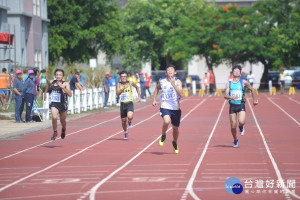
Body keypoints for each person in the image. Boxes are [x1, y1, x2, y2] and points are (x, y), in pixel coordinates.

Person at [224, 65, 258, 148]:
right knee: (233, 126)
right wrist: (231, 97)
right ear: (232, 73)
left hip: (241, 104)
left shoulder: (243, 82)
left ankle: (241, 127)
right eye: (235, 71)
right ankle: (235, 140)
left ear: (240, 73)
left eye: (238, 71)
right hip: (232, 106)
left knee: (241, 121)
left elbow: (252, 89)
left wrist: (254, 100)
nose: (236, 72)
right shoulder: (229, 83)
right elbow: (225, 95)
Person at [152, 64, 184, 154]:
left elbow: (181, 94)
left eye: (172, 70)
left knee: (175, 129)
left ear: (175, 72)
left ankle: (174, 142)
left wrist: (173, 84)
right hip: (165, 106)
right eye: (168, 70)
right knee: (166, 121)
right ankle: (163, 135)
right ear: (166, 72)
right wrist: (154, 99)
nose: (170, 71)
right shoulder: (162, 81)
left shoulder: (178, 82)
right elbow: (157, 88)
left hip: (176, 108)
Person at [44, 69, 72, 140]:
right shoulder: (51, 82)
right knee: (54, 117)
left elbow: (70, 94)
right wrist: (45, 93)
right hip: (54, 104)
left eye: (60, 75)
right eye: (57, 75)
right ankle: (55, 132)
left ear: (62, 76)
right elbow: (47, 86)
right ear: (55, 75)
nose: (58, 76)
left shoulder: (66, 83)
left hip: (62, 104)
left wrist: (63, 87)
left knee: (62, 121)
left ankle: (63, 129)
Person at [116, 71, 141, 140]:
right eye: (122, 77)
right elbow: (117, 94)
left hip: (129, 102)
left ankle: (130, 121)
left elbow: (137, 87)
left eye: (125, 76)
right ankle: (126, 132)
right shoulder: (118, 84)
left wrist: (139, 96)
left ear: (127, 77)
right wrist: (122, 89)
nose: (123, 78)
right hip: (122, 104)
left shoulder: (130, 83)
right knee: (123, 121)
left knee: (130, 116)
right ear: (120, 77)